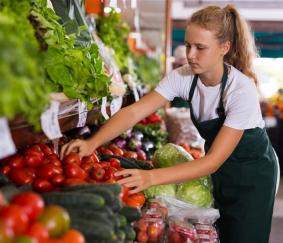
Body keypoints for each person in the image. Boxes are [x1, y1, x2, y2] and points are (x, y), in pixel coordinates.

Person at [61, 5, 279, 243]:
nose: (191, 55)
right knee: (219, 233)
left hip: (253, 176)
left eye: (200, 48)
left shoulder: (240, 90)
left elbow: (212, 162)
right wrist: (92, 143)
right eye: (188, 45)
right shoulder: (184, 77)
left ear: (224, 48)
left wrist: (150, 178)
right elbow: (134, 111)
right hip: (221, 170)